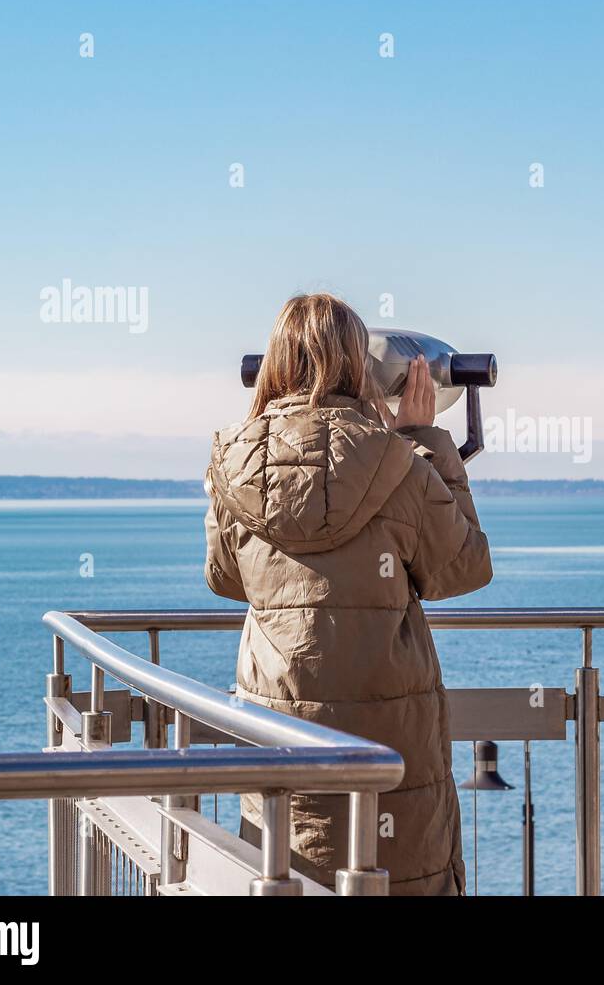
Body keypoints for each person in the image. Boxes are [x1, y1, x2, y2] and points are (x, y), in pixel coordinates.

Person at [202, 293, 492, 895]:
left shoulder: (232, 462)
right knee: (396, 875)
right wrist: (429, 441)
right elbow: (463, 569)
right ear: (360, 367)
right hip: (390, 737)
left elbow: (226, 578)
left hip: (278, 729)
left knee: (286, 872)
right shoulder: (399, 462)